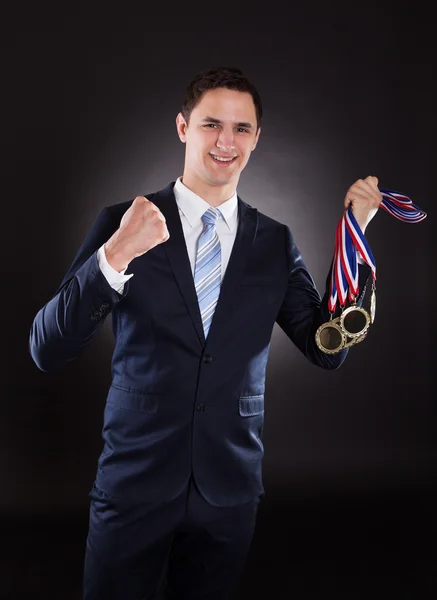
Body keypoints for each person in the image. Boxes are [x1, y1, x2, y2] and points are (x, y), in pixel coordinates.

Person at [29, 66, 381, 599]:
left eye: (241, 128)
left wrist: (355, 231)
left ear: (257, 139)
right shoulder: (124, 221)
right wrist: (118, 253)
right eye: (211, 123)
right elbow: (47, 349)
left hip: (230, 492)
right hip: (135, 484)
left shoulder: (275, 242)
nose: (225, 141)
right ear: (182, 128)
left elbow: (326, 348)